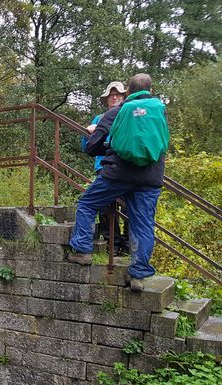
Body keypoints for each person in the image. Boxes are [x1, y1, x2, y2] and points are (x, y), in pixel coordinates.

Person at [68, 73, 167, 292]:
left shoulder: (115, 113)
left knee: (86, 204)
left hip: (118, 174)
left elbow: (92, 148)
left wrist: (100, 141)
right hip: (150, 179)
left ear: (128, 93)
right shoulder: (159, 110)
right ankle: (138, 275)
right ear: (150, 90)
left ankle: (82, 251)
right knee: (143, 224)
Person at [82, 81, 129, 254]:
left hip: (125, 166)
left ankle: (128, 244)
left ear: (124, 97)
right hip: (103, 166)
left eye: (118, 94)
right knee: (105, 207)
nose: (114, 97)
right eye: (111, 95)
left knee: (128, 207)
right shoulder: (98, 119)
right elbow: (86, 147)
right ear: (107, 99)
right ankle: (113, 244)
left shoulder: (128, 115)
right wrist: (89, 132)